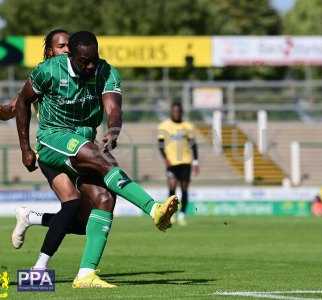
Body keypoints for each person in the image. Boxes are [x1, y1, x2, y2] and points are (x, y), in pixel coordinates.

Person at [15, 31, 178, 288]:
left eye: (94, 59)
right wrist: (25, 147)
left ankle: (85, 275)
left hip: (84, 142)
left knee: (104, 199)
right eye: (84, 62)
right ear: (71, 56)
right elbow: (22, 103)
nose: (91, 66)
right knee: (101, 162)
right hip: (53, 137)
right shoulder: (48, 71)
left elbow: (114, 108)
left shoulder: (106, 72)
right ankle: (153, 208)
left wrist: (113, 130)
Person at [7, 29, 94, 271]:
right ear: (49, 51)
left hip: (82, 148)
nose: (66, 49)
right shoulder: (43, 76)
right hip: (53, 150)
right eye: (61, 46)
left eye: (69, 45)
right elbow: (14, 108)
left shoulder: (80, 71)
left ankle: (31, 217)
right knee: (72, 204)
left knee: (89, 223)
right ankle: (39, 268)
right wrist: (25, 149)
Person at [158, 102, 199, 225]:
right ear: (171, 112)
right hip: (172, 163)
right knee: (172, 189)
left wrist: (196, 162)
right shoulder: (164, 126)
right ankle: (171, 215)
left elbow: (194, 145)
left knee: (184, 189)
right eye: (174, 111)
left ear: (181, 112)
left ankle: (182, 214)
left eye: (179, 111)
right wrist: (165, 159)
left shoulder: (188, 126)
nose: (176, 113)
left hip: (185, 161)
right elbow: (160, 145)